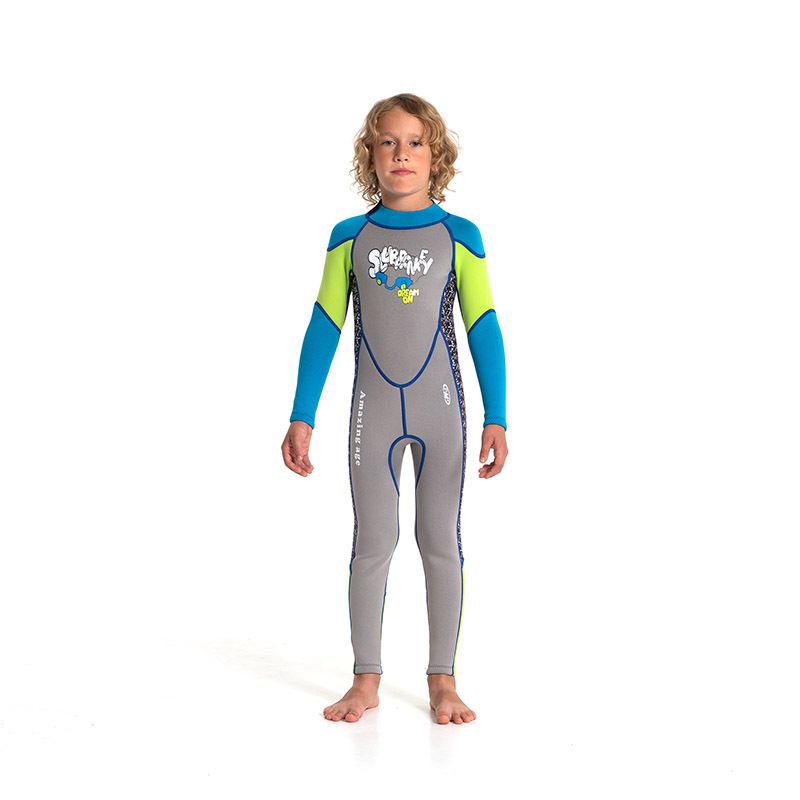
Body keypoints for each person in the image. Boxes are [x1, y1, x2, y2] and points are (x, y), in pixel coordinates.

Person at [281, 94, 507, 725]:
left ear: (436, 157)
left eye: (414, 142)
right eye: (387, 142)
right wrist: (302, 413)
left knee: (440, 543)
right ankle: (366, 679)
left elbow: (483, 325)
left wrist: (497, 415)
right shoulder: (349, 238)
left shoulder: (459, 236)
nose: (401, 154)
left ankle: (442, 681)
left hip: (442, 411)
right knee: (373, 542)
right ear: (370, 156)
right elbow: (324, 325)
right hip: (371, 414)